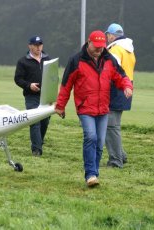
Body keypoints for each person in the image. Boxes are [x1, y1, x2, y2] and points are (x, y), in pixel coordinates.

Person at [55, 30, 133, 187]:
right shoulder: (76, 60)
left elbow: (121, 76)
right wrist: (60, 106)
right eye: (96, 46)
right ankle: (90, 174)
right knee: (91, 137)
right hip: (85, 108)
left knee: (99, 143)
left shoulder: (109, 59)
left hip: (103, 108)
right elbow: (66, 85)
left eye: (102, 47)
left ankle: (94, 174)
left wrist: (126, 86)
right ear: (88, 43)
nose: (99, 50)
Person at [105, 23, 136, 168]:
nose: (107, 38)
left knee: (111, 126)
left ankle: (116, 160)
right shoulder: (128, 49)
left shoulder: (115, 49)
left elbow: (111, 71)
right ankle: (121, 155)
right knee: (114, 125)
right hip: (126, 86)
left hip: (116, 88)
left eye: (107, 35)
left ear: (112, 35)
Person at [14, 35, 51, 157]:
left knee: (45, 121)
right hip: (31, 96)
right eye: (35, 45)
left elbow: (52, 77)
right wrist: (29, 85)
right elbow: (18, 79)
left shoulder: (48, 59)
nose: (38, 47)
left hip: (46, 96)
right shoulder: (23, 61)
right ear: (29, 46)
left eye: (40, 45)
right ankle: (36, 149)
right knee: (35, 121)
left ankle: (39, 141)